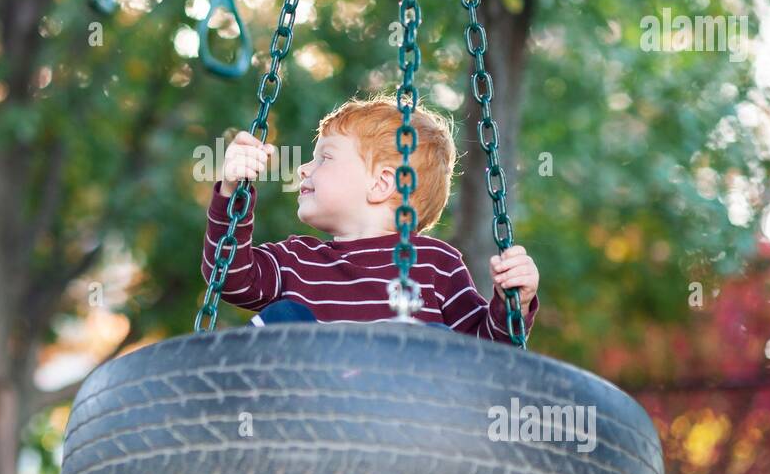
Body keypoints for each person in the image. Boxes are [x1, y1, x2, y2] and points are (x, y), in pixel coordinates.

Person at [200, 94, 540, 343]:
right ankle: (232, 403)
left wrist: (513, 302)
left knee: (437, 340)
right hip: (306, 410)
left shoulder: (436, 265)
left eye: (324, 157)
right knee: (283, 319)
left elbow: (487, 352)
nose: (303, 168)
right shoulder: (295, 260)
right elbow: (230, 277)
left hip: (398, 419)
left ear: (380, 183)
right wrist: (233, 192)